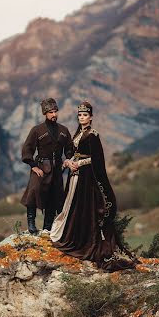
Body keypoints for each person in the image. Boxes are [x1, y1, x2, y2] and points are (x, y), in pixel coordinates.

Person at [50, 101, 136, 272]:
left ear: (91, 117)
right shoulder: (78, 133)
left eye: (85, 115)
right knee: (73, 206)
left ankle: (84, 241)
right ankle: (71, 234)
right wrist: (69, 162)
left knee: (84, 208)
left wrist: (79, 163)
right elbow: (73, 152)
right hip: (75, 176)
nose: (82, 118)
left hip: (87, 178)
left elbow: (96, 159)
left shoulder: (92, 135)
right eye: (80, 115)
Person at [21, 98, 74, 234]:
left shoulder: (63, 130)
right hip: (40, 167)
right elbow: (27, 149)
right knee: (33, 192)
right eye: (50, 112)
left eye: (55, 111)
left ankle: (47, 227)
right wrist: (33, 166)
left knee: (54, 197)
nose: (54, 114)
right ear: (45, 113)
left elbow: (69, 148)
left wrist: (67, 159)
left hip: (57, 170)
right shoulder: (37, 130)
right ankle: (31, 224)